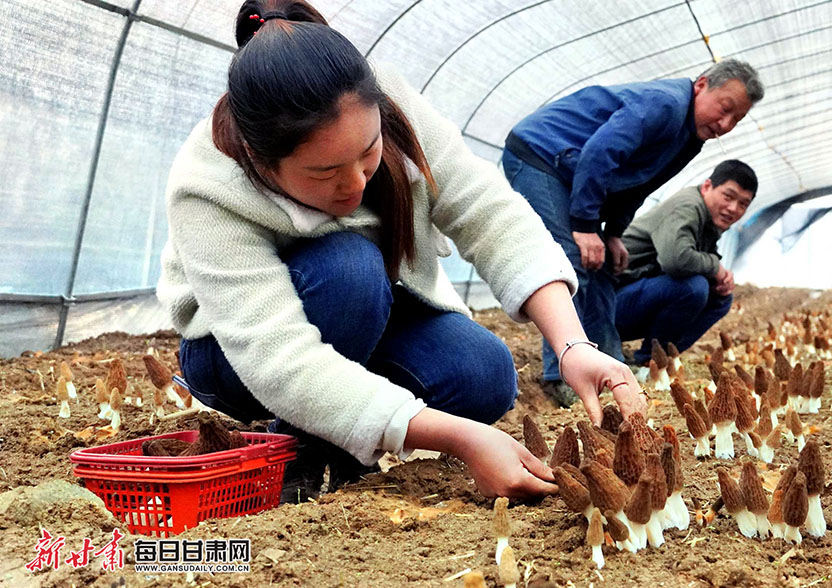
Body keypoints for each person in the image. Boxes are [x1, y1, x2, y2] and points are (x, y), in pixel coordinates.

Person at [157, 0, 645, 501]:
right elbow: (280, 360)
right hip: (237, 356)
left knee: (483, 373)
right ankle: (303, 441)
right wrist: (463, 439)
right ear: (262, 163)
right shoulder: (209, 184)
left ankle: (350, 421)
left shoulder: (390, 101)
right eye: (325, 172)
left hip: (366, 314)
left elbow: (489, 213)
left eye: (368, 152)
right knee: (350, 269)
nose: (356, 184)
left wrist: (572, 345)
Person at [501, 59, 764, 407]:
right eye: (725, 108)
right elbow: (601, 152)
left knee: (600, 267)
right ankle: (561, 374)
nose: (725, 124)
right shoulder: (665, 104)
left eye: (737, 120)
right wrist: (584, 226)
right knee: (571, 259)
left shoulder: (689, 138)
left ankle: (609, 363)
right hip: (541, 155)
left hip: (573, 170)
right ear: (701, 85)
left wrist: (613, 234)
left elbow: (637, 182)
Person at [614, 160, 758, 363]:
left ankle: (656, 360)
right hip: (606, 303)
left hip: (633, 297)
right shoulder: (687, 206)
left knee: (720, 297)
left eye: (743, 204)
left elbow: (700, 256)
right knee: (693, 287)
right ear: (707, 186)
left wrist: (721, 276)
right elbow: (676, 260)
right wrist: (715, 267)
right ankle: (650, 359)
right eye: (728, 196)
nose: (733, 208)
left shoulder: (709, 218)